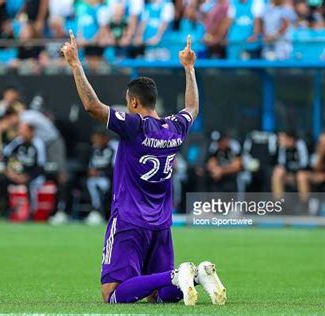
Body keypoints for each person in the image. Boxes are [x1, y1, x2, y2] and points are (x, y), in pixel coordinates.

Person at [61, 31, 226, 305]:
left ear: (134, 103)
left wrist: (76, 64)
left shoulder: (134, 125)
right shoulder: (175, 127)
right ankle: (196, 275)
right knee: (157, 297)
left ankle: (177, 275)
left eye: (128, 102)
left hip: (129, 220)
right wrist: (189, 68)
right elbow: (192, 107)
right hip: (161, 224)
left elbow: (92, 106)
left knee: (112, 293)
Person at [2, 122, 46, 213]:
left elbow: (40, 166)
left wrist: (26, 177)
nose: (21, 133)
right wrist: (11, 173)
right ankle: (7, 210)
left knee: (31, 185)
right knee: (1, 180)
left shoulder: (38, 144)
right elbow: (5, 155)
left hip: (33, 175)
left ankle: (31, 212)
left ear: (31, 131)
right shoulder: (18, 141)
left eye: (23, 131)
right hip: (17, 174)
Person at [85, 130, 116, 225]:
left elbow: (115, 168)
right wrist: (90, 172)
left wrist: (100, 173)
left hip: (109, 179)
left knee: (101, 185)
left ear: (105, 138)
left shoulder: (113, 148)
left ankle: (100, 211)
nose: (95, 141)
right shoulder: (94, 150)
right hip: (94, 179)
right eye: (94, 139)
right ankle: (95, 210)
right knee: (89, 183)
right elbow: (89, 166)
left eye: (97, 139)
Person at [272, 129, 309, 200]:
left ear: (290, 139)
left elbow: (305, 164)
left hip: (302, 173)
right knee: (278, 173)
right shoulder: (282, 147)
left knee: (301, 177)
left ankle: (305, 205)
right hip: (289, 173)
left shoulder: (300, 145)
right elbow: (281, 164)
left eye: (282, 139)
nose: (280, 141)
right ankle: (279, 204)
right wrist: (288, 175)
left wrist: (293, 175)